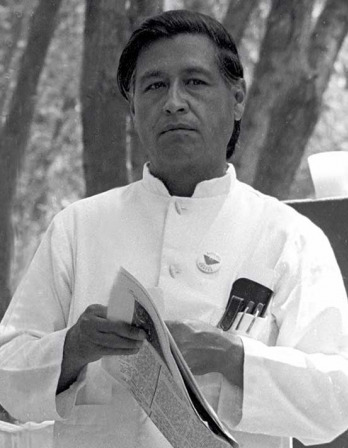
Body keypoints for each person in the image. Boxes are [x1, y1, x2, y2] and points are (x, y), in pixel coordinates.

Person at [0, 9, 348, 448]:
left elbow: (339, 399)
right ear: (133, 107)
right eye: (154, 85)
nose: (174, 102)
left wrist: (233, 358)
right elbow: (5, 376)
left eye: (195, 82)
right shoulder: (79, 228)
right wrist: (74, 348)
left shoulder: (289, 238)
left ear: (237, 97)